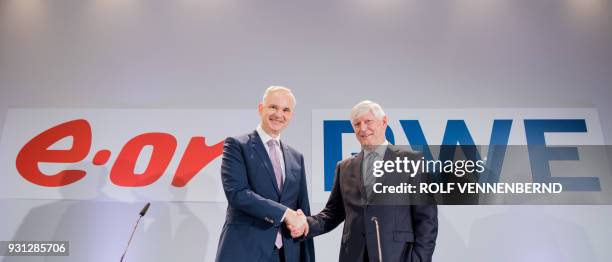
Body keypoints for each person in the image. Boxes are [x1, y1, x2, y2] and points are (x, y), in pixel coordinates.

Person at [292, 100, 438, 262]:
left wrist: (419, 260)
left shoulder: (412, 161)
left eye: (368, 122)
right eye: (357, 124)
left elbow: (426, 219)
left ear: (384, 122)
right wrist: (306, 223)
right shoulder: (344, 167)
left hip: (397, 255)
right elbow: (333, 213)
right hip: (354, 255)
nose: (362, 129)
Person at [216, 86, 314, 262]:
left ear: (291, 115)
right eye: (273, 107)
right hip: (245, 250)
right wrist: (285, 213)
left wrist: (302, 230)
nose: (279, 114)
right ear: (261, 108)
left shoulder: (296, 157)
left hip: (287, 254)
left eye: (286, 110)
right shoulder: (237, 145)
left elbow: (302, 208)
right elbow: (237, 194)